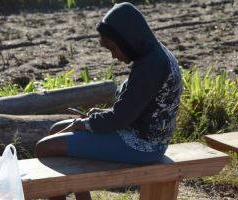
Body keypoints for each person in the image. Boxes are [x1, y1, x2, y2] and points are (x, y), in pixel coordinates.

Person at [35, 2, 182, 200]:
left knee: (44, 148)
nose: (114, 55)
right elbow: (132, 110)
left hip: (142, 146)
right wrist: (98, 117)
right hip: (138, 136)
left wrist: (86, 123)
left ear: (127, 37)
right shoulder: (152, 54)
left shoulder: (151, 64)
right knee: (55, 131)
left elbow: (121, 119)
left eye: (114, 47)